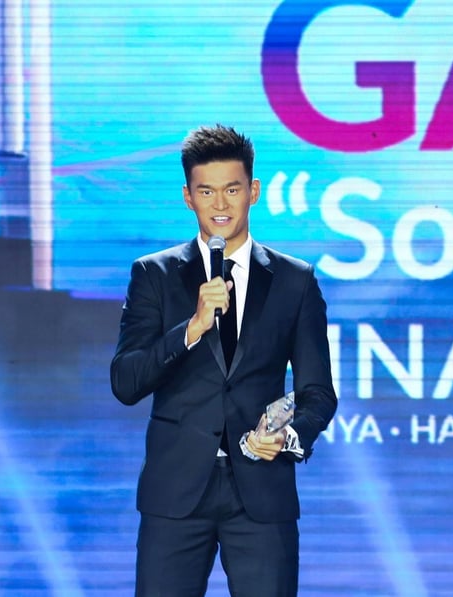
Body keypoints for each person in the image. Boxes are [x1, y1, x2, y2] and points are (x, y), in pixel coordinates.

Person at [110, 124, 338, 596]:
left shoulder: (295, 281)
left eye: (232, 189)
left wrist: (290, 436)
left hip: (261, 490)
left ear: (253, 191)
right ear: (188, 197)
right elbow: (125, 382)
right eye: (206, 191)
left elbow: (318, 392)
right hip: (175, 493)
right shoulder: (154, 275)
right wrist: (191, 328)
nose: (220, 204)